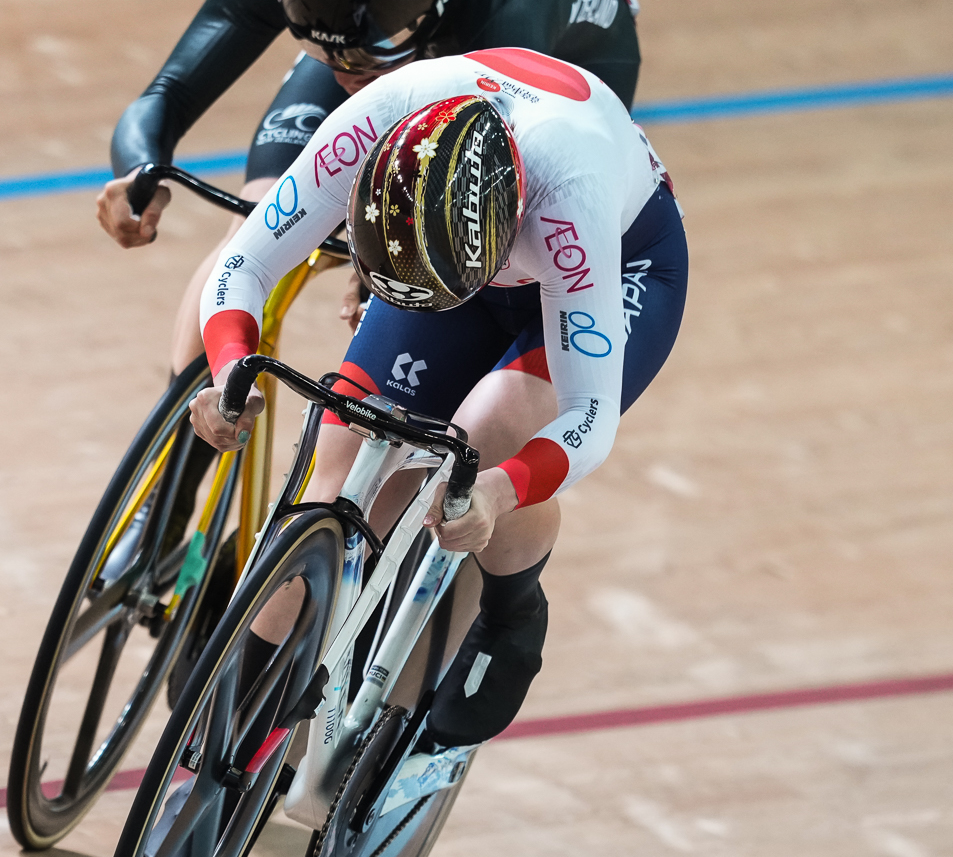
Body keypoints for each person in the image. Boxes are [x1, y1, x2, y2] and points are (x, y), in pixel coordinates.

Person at [188, 46, 686, 754]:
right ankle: (228, 745)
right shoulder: (374, 118)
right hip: (440, 260)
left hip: (620, 265)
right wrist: (229, 370)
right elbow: (246, 261)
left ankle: (514, 606)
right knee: (336, 466)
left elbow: (590, 418)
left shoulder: (569, 203)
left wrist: (499, 492)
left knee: (490, 433)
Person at [95, 0, 643, 367]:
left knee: (475, 282)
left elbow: (472, 202)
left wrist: (382, 260)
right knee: (255, 221)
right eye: (322, 51)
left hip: (556, 61)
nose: (340, 75)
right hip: (406, 23)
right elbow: (168, 93)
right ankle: (182, 455)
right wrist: (138, 170)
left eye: (363, 60)